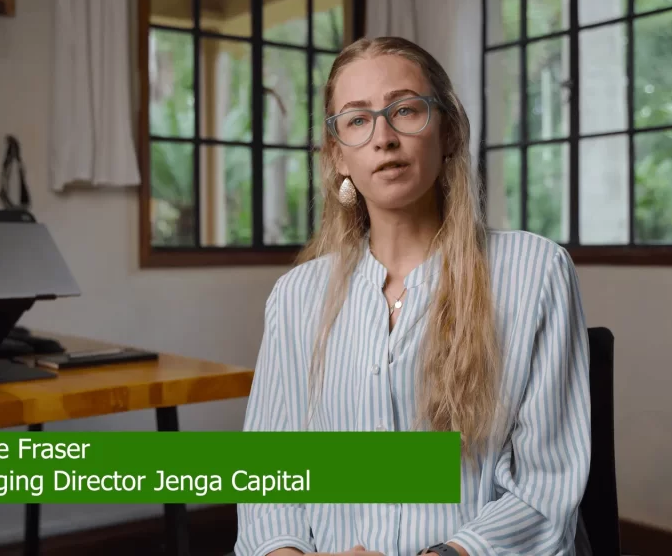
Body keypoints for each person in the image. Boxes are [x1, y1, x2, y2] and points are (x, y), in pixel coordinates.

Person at [235, 36, 592, 556]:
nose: (383, 137)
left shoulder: (535, 272)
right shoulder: (296, 297)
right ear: (337, 155)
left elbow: (546, 486)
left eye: (405, 110)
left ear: (449, 131)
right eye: (357, 120)